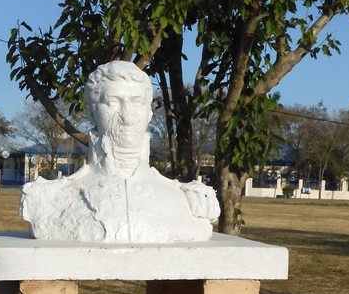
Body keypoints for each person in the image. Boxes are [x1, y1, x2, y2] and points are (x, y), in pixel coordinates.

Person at [20, 61, 220, 243]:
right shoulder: (51, 199)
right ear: (91, 113)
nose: (127, 116)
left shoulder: (187, 200)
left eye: (137, 102)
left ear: (149, 113)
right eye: (113, 103)